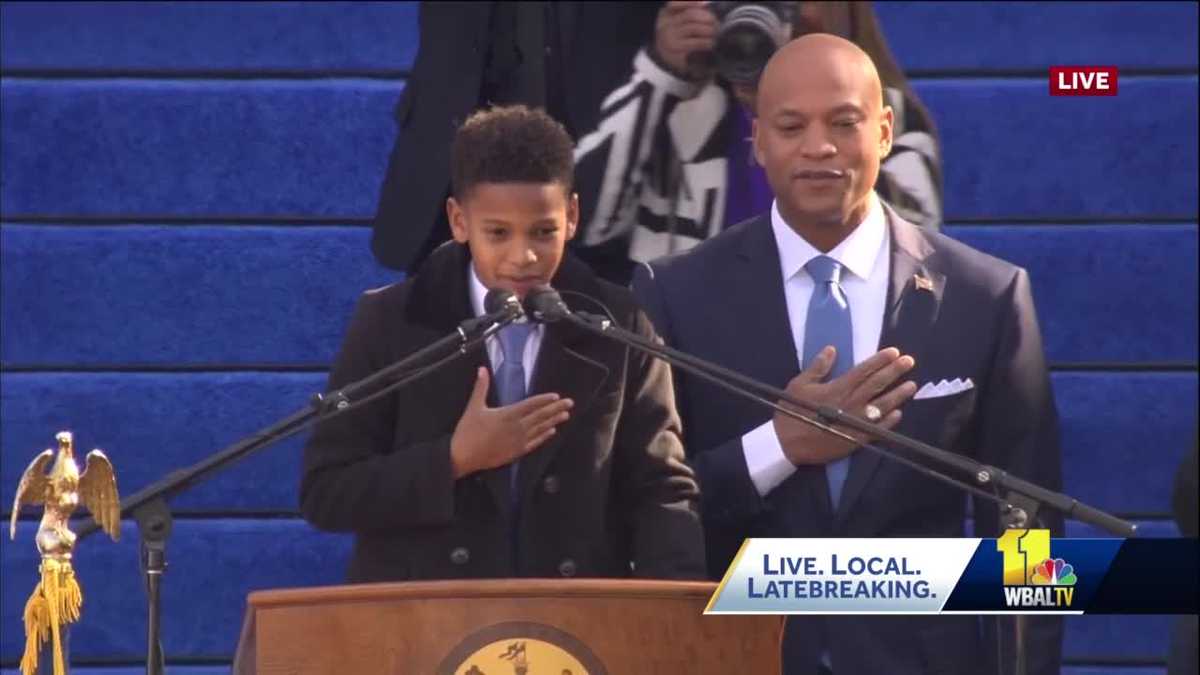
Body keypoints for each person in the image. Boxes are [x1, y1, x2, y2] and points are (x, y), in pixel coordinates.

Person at [631, 34, 1062, 674]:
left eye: (844, 122)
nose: (819, 147)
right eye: (791, 125)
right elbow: (649, 510)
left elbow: (1030, 530)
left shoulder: (988, 296)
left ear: (885, 130)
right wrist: (780, 446)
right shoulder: (674, 293)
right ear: (757, 140)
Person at [302, 105, 705, 583]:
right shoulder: (393, 321)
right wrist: (454, 459)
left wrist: (666, 626)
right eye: (498, 233)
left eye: (543, 231)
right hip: (428, 629)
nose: (524, 257)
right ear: (458, 221)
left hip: (575, 630)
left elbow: (661, 490)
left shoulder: (618, 323)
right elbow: (326, 491)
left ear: (571, 216)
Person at [370, 2, 942, 286]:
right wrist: (662, 72)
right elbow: (588, 222)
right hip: (694, 374)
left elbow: (907, 257)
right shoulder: (674, 111)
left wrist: (808, 90)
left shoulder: (881, 113)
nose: (756, 17)